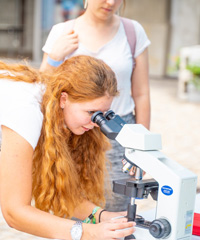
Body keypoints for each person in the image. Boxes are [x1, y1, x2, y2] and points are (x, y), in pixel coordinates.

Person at [0, 55, 136, 240]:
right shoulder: (26, 112)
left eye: (102, 115)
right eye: (91, 113)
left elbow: (59, 193)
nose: (95, 123)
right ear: (64, 99)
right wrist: (88, 233)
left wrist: (101, 216)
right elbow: (14, 213)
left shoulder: (50, 109)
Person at [40, 0, 151, 212]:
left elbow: (142, 93)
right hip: (73, 134)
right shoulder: (62, 31)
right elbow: (43, 87)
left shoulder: (132, 31)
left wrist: (141, 147)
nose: (110, 2)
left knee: (117, 206)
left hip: (119, 133)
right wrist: (54, 57)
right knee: (70, 205)